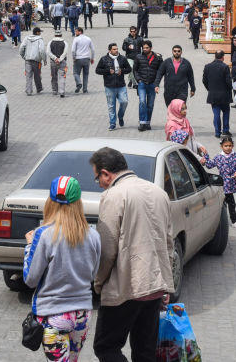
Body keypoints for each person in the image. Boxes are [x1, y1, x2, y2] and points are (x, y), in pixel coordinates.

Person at [90, 147, 174, 362]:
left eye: (97, 177)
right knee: (145, 351)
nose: (98, 183)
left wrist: (98, 282)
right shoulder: (158, 192)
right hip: (154, 286)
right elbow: (168, 242)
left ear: (106, 173)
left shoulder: (114, 195)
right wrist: (166, 282)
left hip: (127, 287)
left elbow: (107, 249)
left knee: (106, 347)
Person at [23, 175, 101, 362]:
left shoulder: (44, 234)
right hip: (82, 315)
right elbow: (93, 274)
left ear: (50, 201)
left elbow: (30, 279)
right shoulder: (93, 235)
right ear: (78, 203)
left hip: (53, 314)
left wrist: (29, 246)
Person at [202, 135, 236, 229]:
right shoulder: (219, 157)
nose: (228, 147)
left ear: (233, 146)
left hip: (232, 183)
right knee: (229, 202)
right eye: (226, 146)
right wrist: (205, 156)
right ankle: (232, 220)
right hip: (223, 184)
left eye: (230, 145)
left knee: (228, 202)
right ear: (221, 146)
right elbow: (210, 165)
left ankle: (231, 220)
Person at [95, 43, 132, 130]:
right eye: (114, 49)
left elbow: (129, 69)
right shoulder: (104, 59)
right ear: (110, 50)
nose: (116, 50)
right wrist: (108, 71)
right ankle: (112, 123)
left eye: (117, 49)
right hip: (109, 86)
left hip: (121, 85)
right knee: (111, 106)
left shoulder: (122, 58)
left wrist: (122, 71)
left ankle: (120, 116)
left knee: (124, 102)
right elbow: (97, 70)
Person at [202, 51, 233, 138]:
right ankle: (226, 130)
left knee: (216, 113)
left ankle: (217, 132)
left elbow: (204, 80)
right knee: (226, 112)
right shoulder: (225, 67)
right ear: (223, 57)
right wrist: (230, 88)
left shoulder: (207, 66)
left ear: (215, 56)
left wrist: (210, 89)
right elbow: (228, 81)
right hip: (224, 94)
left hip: (213, 94)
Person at [134, 40, 163, 131]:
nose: (145, 49)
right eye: (144, 48)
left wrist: (157, 83)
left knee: (150, 104)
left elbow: (160, 71)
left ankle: (147, 122)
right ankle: (142, 123)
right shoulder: (138, 57)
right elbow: (135, 70)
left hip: (152, 84)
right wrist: (138, 80)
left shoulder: (157, 58)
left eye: (147, 48)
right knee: (142, 102)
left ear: (151, 48)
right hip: (142, 83)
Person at [20, 27, 47, 96]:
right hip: (36, 61)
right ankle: (39, 88)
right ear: (37, 33)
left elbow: (21, 47)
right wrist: (44, 59)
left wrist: (23, 56)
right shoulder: (40, 39)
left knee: (28, 76)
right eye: (40, 32)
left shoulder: (26, 38)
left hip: (27, 60)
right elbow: (42, 50)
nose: (40, 33)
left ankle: (29, 91)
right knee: (37, 75)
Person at [71, 27, 95, 94]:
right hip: (87, 59)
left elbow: (73, 50)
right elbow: (93, 49)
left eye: (76, 31)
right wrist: (92, 58)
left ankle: (79, 83)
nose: (75, 33)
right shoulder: (88, 39)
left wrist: (74, 57)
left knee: (76, 73)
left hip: (78, 58)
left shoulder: (76, 39)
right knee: (86, 74)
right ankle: (85, 89)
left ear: (80, 32)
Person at [47, 30, 69, 98]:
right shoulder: (65, 42)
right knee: (62, 76)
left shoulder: (50, 42)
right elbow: (65, 53)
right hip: (62, 62)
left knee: (54, 76)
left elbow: (48, 52)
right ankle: (62, 92)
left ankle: (54, 90)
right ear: (61, 35)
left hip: (53, 62)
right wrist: (59, 59)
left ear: (54, 35)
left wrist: (55, 58)